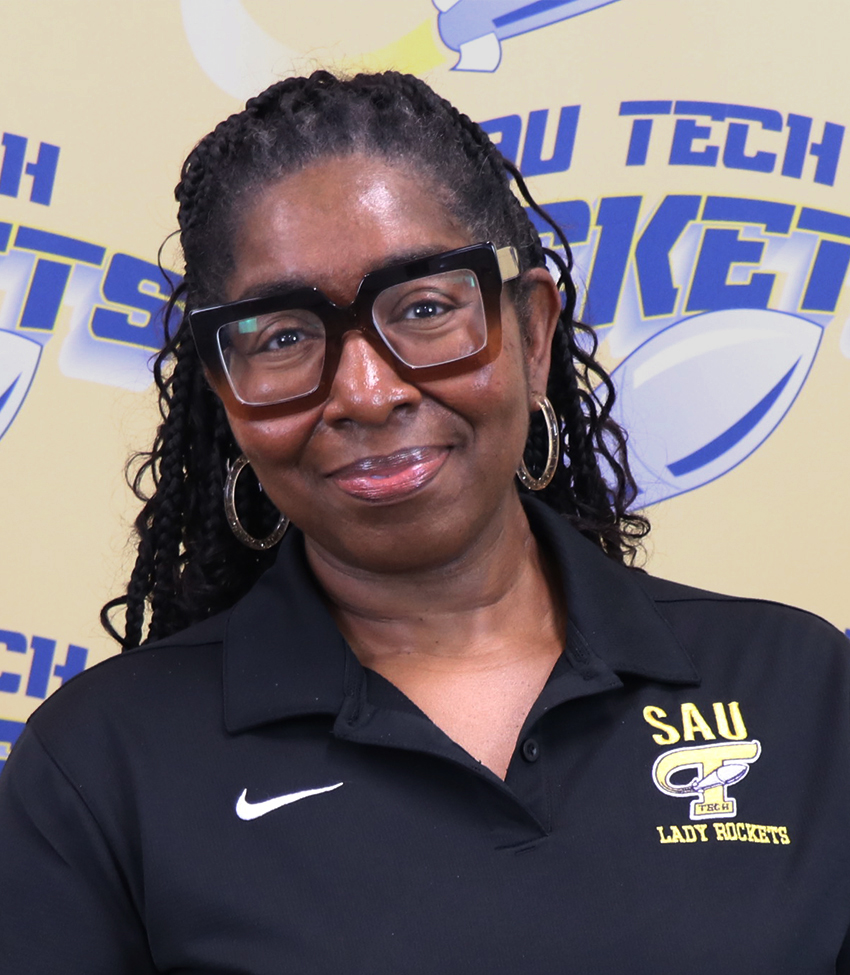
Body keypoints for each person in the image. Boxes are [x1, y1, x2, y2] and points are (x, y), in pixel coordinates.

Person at [1, 70, 848, 974]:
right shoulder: (98, 768)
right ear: (227, 395)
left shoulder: (803, 691)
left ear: (532, 334)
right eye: (284, 336)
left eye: (425, 308)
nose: (367, 392)